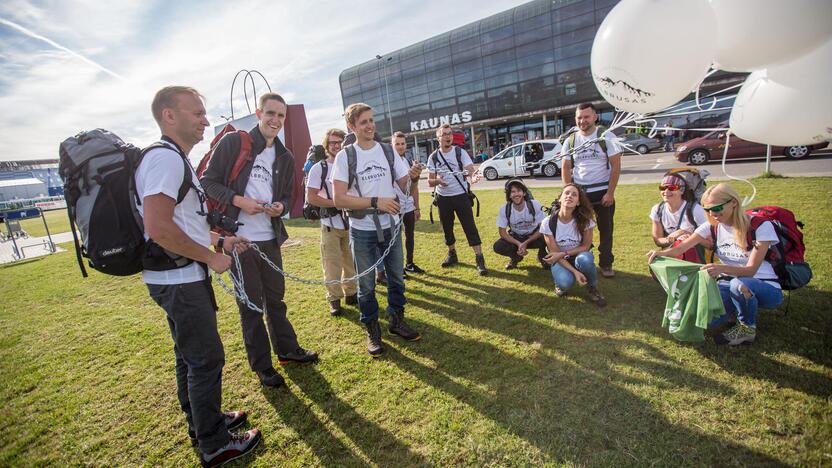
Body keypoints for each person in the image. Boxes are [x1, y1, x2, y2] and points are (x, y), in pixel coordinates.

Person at [139, 86, 260, 466]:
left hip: (179, 276)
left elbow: (182, 224)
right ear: (169, 116)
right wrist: (210, 256)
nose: (206, 121)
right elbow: (158, 227)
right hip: (179, 279)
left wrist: (219, 243)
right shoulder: (166, 161)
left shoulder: (176, 159)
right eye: (197, 113)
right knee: (206, 359)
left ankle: (202, 422)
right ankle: (215, 443)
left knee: (189, 356)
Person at [201, 92, 318, 390]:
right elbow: (207, 183)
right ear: (258, 113)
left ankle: (287, 351)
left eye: (281, 115)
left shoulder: (285, 156)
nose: (275, 120)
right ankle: (262, 367)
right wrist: (239, 200)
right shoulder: (234, 142)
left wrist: (278, 206)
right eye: (270, 113)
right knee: (251, 306)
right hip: (239, 241)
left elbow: (283, 195)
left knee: (276, 300)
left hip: (269, 239)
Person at [332, 103, 423, 357]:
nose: (370, 125)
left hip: (391, 227)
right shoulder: (346, 156)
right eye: (363, 122)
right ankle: (372, 330)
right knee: (366, 285)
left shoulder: (387, 151)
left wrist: (413, 176)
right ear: (352, 126)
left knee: (396, 277)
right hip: (362, 230)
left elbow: (404, 184)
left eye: (372, 120)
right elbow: (339, 199)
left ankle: (397, 321)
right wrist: (376, 202)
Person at [647, 183, 784, 345]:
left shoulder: (760, 226)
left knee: (739, 284)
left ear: (733, 202)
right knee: (704, 321)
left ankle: (747, 329)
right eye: (707, 209)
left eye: (717, 208)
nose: (713, 213)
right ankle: (736, 308)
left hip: (765, 286)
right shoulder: (712, 226)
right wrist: (660, 253)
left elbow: (750, 270)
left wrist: (720, 268)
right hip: (727, 283)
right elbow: (680, 249)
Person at [561, 102, 622, 278]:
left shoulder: (606, 136)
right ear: (575, 119)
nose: (583, 121)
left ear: (595, 117)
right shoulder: (570, 140)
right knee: (578, 229)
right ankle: (581, 261)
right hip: (581, 193)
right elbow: (565, 168)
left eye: (586, 117)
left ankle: (606, 263)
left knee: (606, 229)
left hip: (603, 192)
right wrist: (568, 192)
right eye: (579, 117)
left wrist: (610, 193)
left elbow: (616, 166)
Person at [305, 128, 358, 316]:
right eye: (332, 143)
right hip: (330, 223)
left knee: (351, 261)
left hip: (351, 222)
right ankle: (334, 299)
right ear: (327, 145)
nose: (336, 146)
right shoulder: (319, 168)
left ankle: (351, 292)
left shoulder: (350, 165)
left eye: (339, 142)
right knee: (332, 263)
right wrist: (336, 203)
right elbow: (311, 197)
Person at [427, 123, 486, 275]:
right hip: (443, 198)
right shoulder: (433, 157)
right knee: (447, 228)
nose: (448, 137)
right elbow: (429, 181)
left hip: (461, 196)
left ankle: (479, 258)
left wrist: (474, 177)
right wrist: (439, 181)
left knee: (470, 227)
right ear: (438, 138)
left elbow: (470, 173)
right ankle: (452, 254)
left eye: (449, 134)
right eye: (444, 134)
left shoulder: (460, 152)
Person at [539, 184, 607, 307]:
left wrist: (564, 253)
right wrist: (575, 273)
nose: (570, 196)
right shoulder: (547, 222)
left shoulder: (585, 220)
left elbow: (586, 247)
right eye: (567, 193)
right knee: (565, 283)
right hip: (559, 260)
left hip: (578, 255)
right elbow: (555, 254)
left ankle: (592, 287)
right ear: (560, 199)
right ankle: (559, 283)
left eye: (574, 195)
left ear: (578, 202)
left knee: (585, 259)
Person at [649, 174, 707, 262]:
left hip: (695, 258)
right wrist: (672, 238)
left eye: (672, 188)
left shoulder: (695, 210)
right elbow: (657, 240)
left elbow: (711, 243)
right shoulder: (657, 210)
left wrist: (691, 237)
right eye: (662, 188)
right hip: (670, 257)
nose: (666, 191)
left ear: (682, 190)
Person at [493, 179, 546, 270]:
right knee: (498, 246)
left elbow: (543, 227)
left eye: (519, 190)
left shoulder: (535, 204)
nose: (516, 194)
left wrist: (526, 243)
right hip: (516, 237)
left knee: (550, 237)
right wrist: (519, 244)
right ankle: (515, 258)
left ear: (524, 193)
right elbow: (502, 232)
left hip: (534, 236)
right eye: (513, 192)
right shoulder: (505, 209)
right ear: (509, 195)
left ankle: (543, 257)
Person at [392, 131, 424, 277]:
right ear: (392, 145)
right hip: (395, 208)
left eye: (402, 143)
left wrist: (417, 207)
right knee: (395, 240)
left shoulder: (406, 161)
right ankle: (399, 269)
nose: (400, 146)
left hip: (409, 206)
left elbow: (414, 187)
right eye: (397, 144)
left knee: (410, 236)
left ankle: (409, 264)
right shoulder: (390, 162)